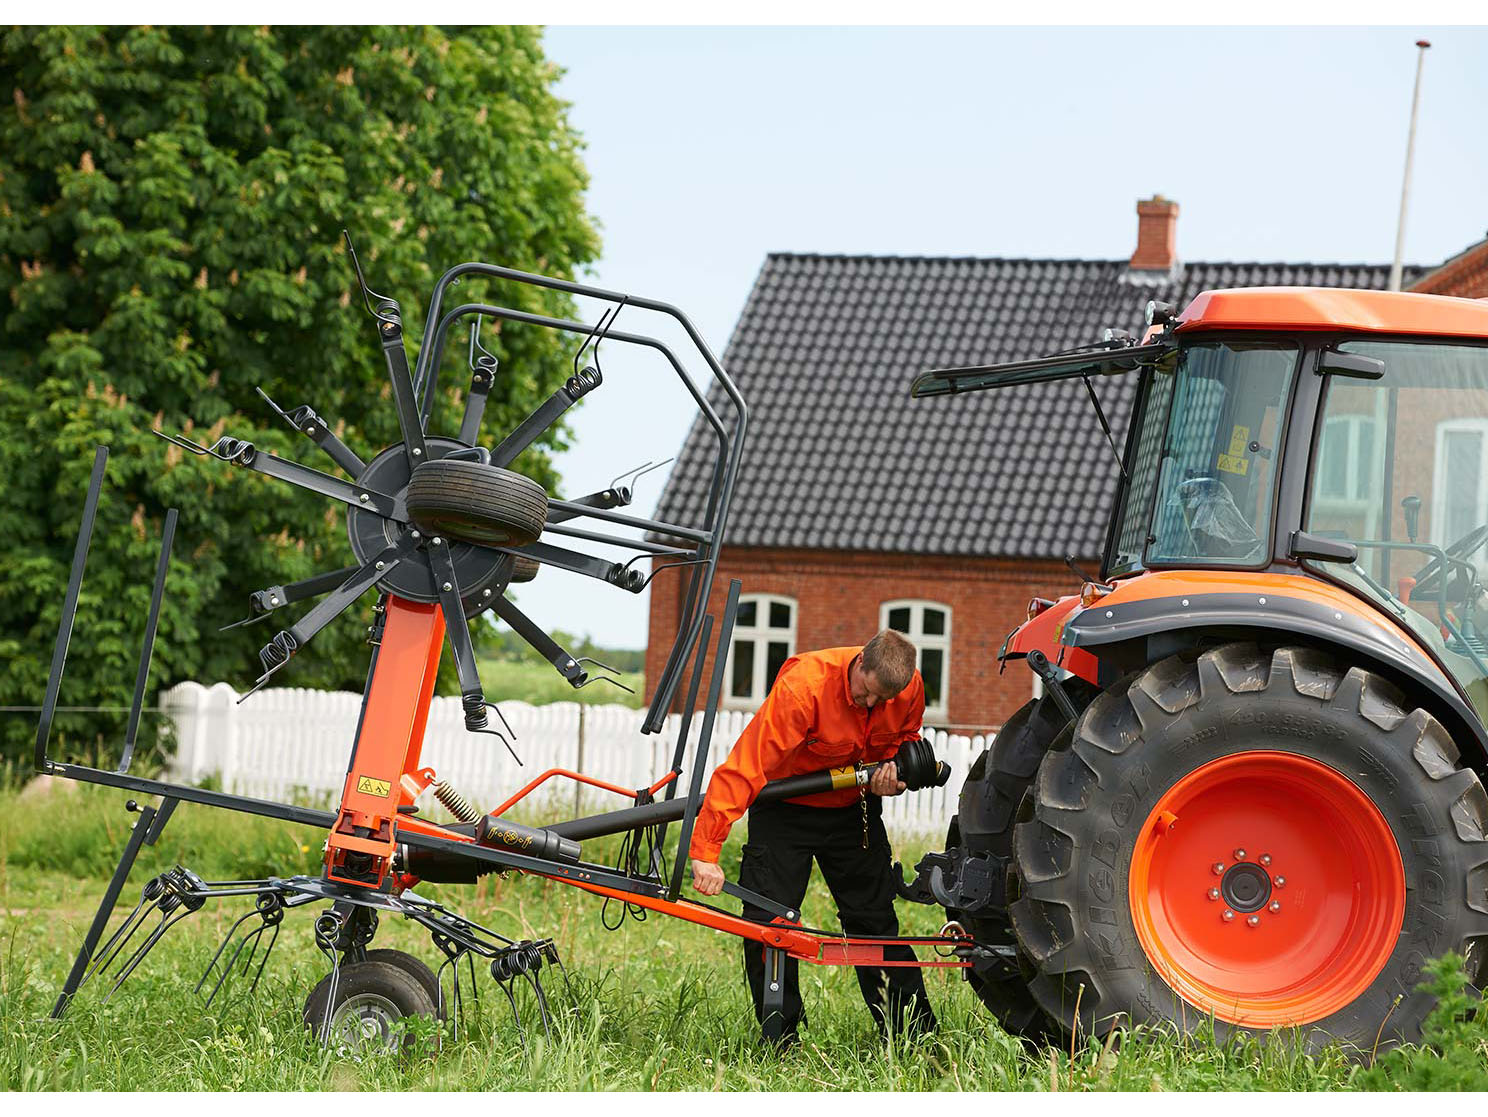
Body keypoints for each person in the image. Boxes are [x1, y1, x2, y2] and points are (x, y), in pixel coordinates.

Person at [689, 629, 938, 1044]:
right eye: (866, 693)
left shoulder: (908, 688)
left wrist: (895, 774)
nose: (871, 705)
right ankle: (780, 1039)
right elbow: (744, 768)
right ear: (860, 663)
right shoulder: (805, 687)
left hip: (852, 810)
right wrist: (706, 851)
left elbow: (906, 741)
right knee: (770, 924)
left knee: (874, 922)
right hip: (786, 810)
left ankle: (914, 1038)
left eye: (883, 701)